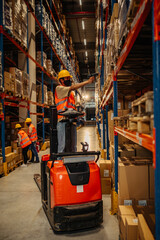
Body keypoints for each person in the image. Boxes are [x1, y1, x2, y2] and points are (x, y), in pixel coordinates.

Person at [55, 69, 95, 153]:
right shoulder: (59, 89)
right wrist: (87, 82)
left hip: (72, 121)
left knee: (73, 146)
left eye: (69, 78)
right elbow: (73, 87)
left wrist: (79, 114)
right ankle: (60, 162)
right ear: (61, 80)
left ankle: (73, 161)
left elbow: (72, 108)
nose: (69, 80)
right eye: (67, 78)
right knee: (62, 146)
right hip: (62, 120)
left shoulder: (72, 94)